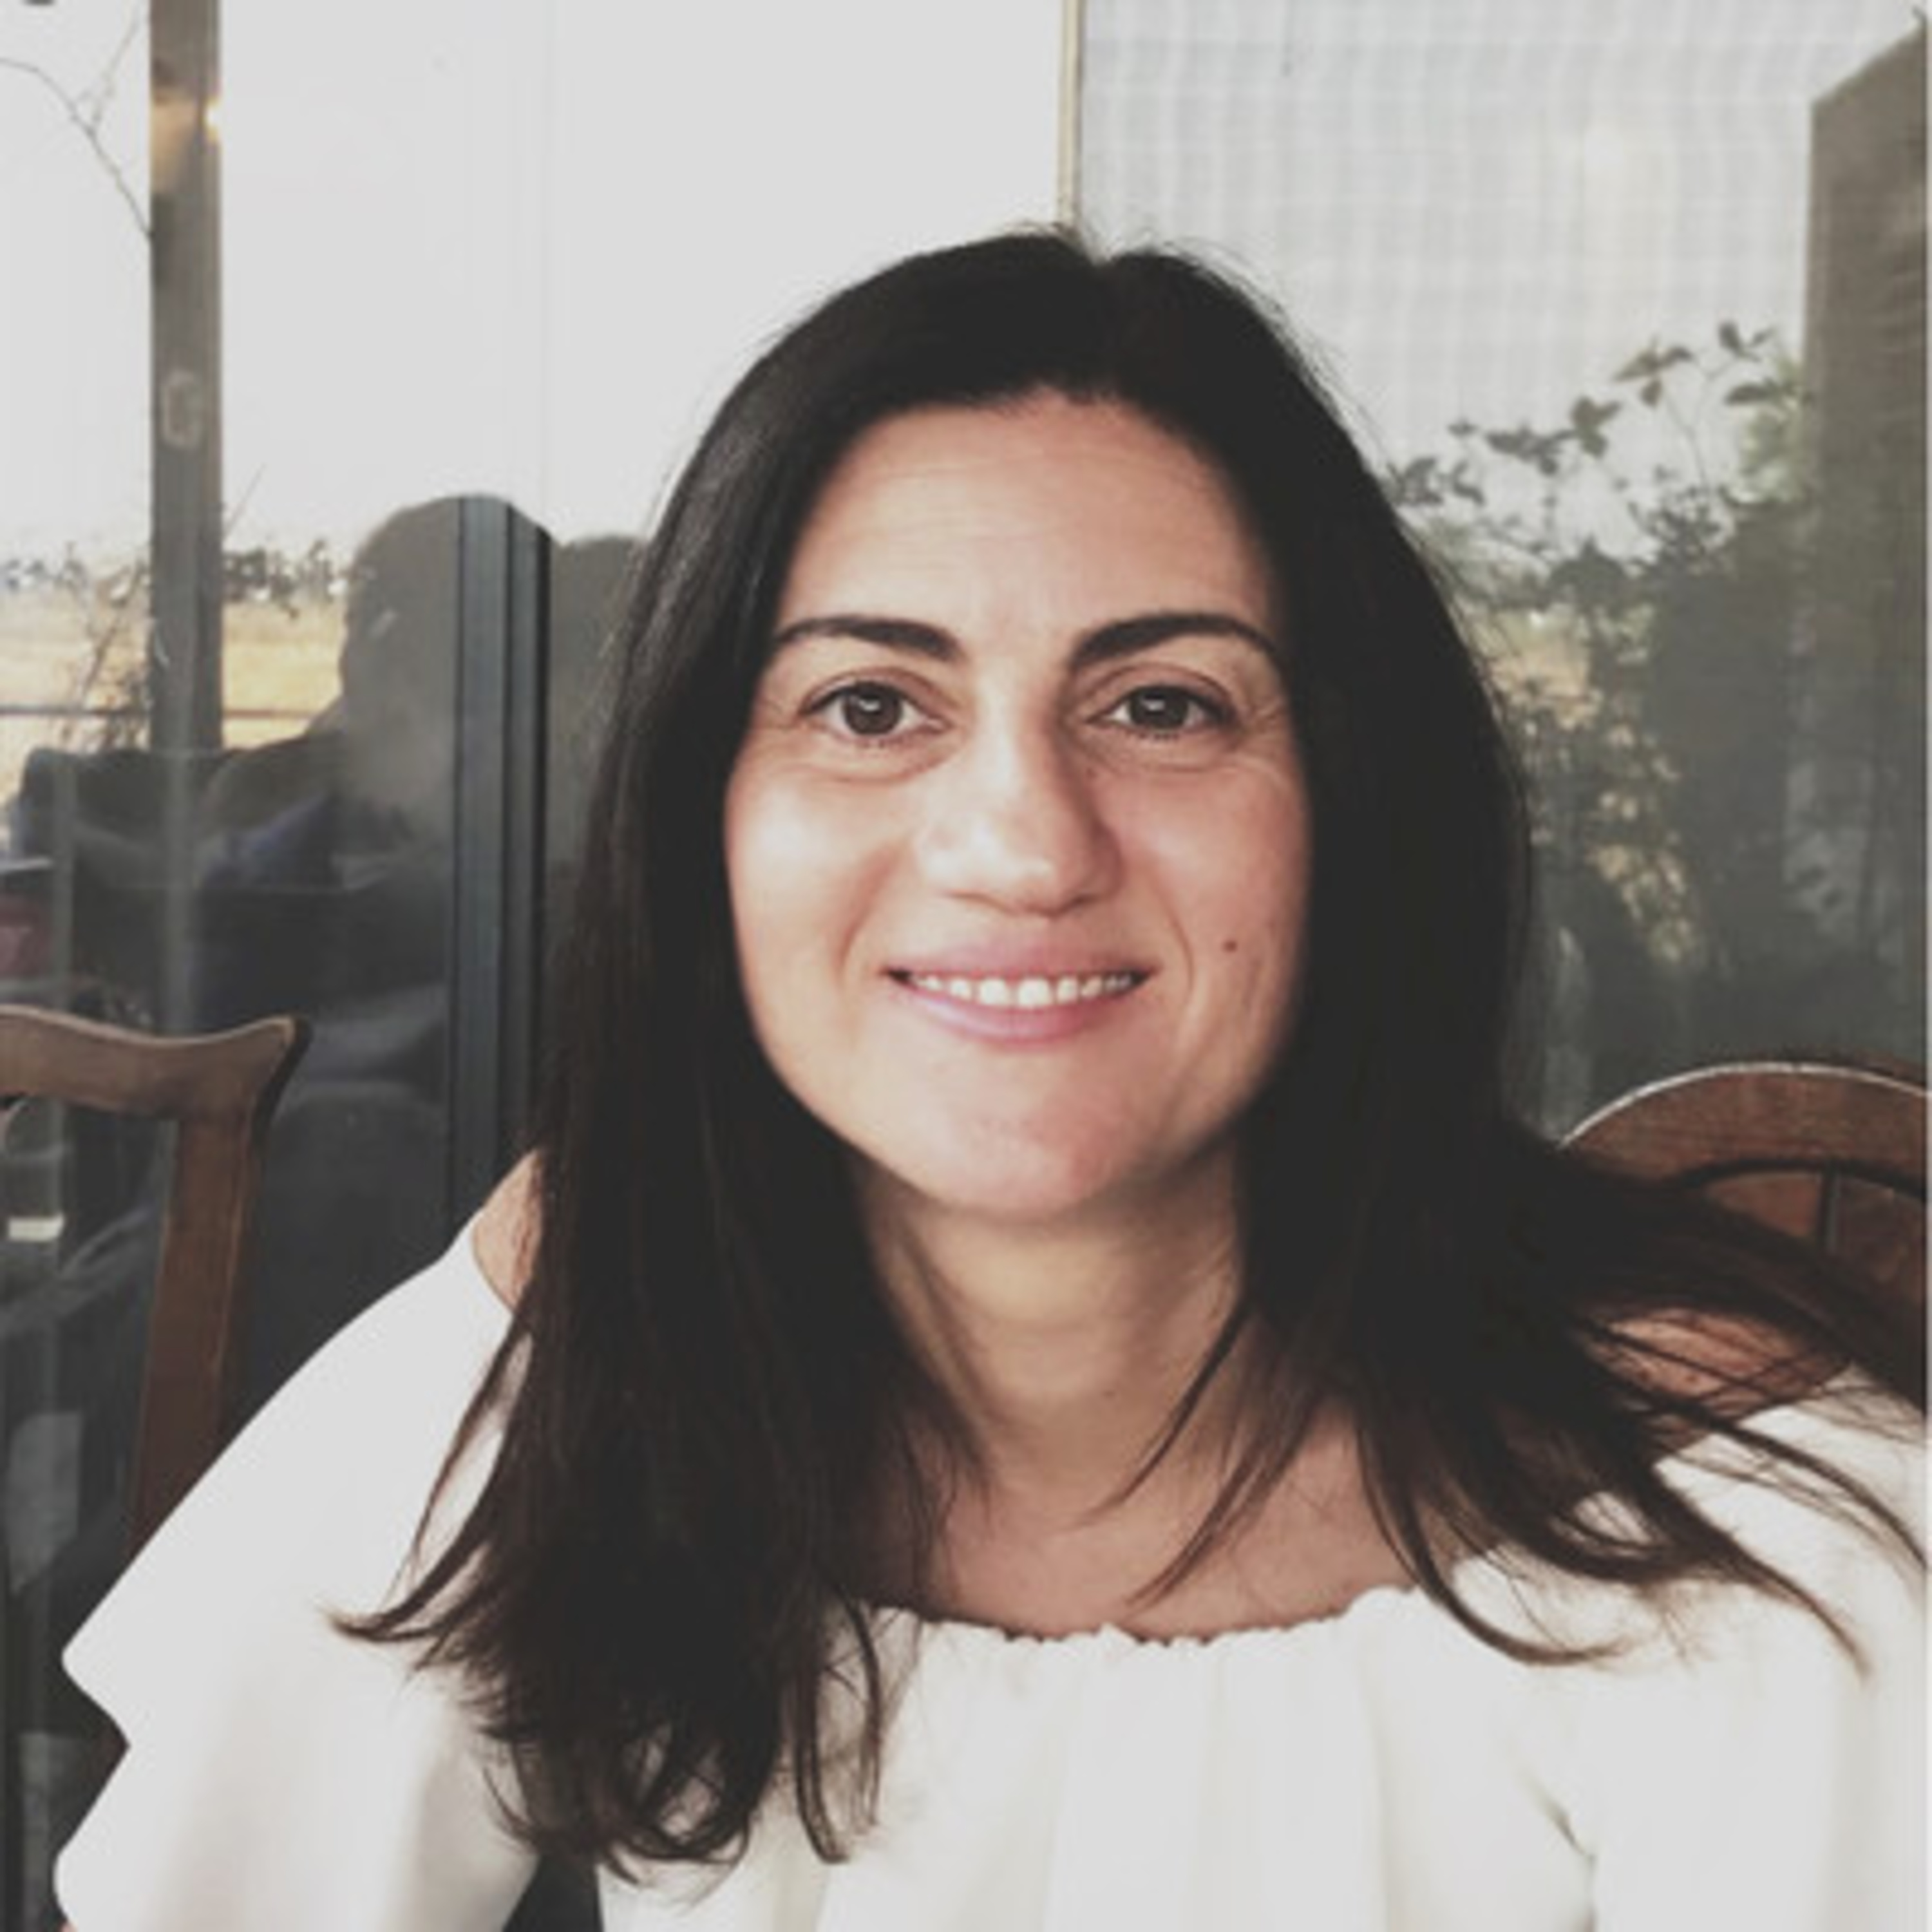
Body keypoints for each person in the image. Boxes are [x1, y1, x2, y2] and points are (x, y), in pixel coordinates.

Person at [55, 231, 1922, 1929]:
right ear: (701, 824)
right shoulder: (598, 1317)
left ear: (1352, 809)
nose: (1022, 846)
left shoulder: (1757, 1545)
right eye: (870, 707)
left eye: (1162, 706)